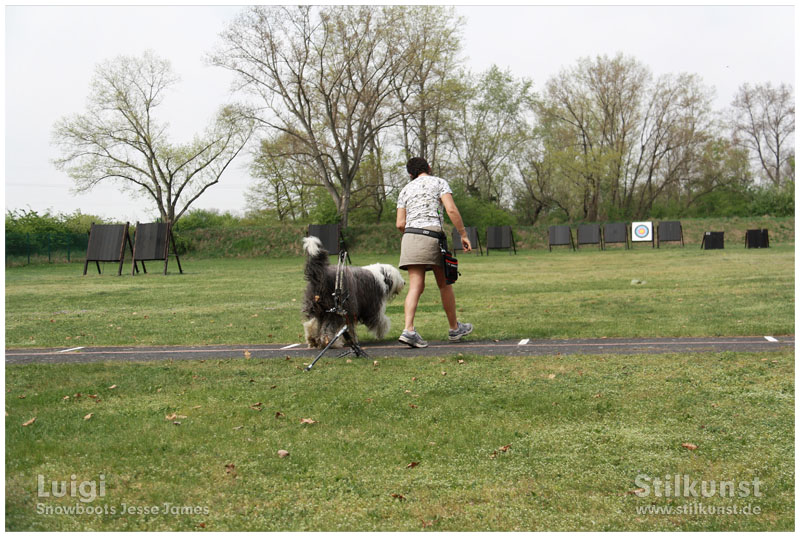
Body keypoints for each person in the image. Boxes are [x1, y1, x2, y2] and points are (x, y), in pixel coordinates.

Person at [395, 157, 473, 348]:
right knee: (444, 284)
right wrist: (463, 234)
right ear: (428, 168)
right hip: (432, 237)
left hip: (410, 238)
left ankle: (409, 330)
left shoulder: (405, 190)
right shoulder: (439, 183)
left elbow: (400, 223)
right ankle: (454, 329)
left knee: (415, 286)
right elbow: (451, 210)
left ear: (410, 173)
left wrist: (413, 234)